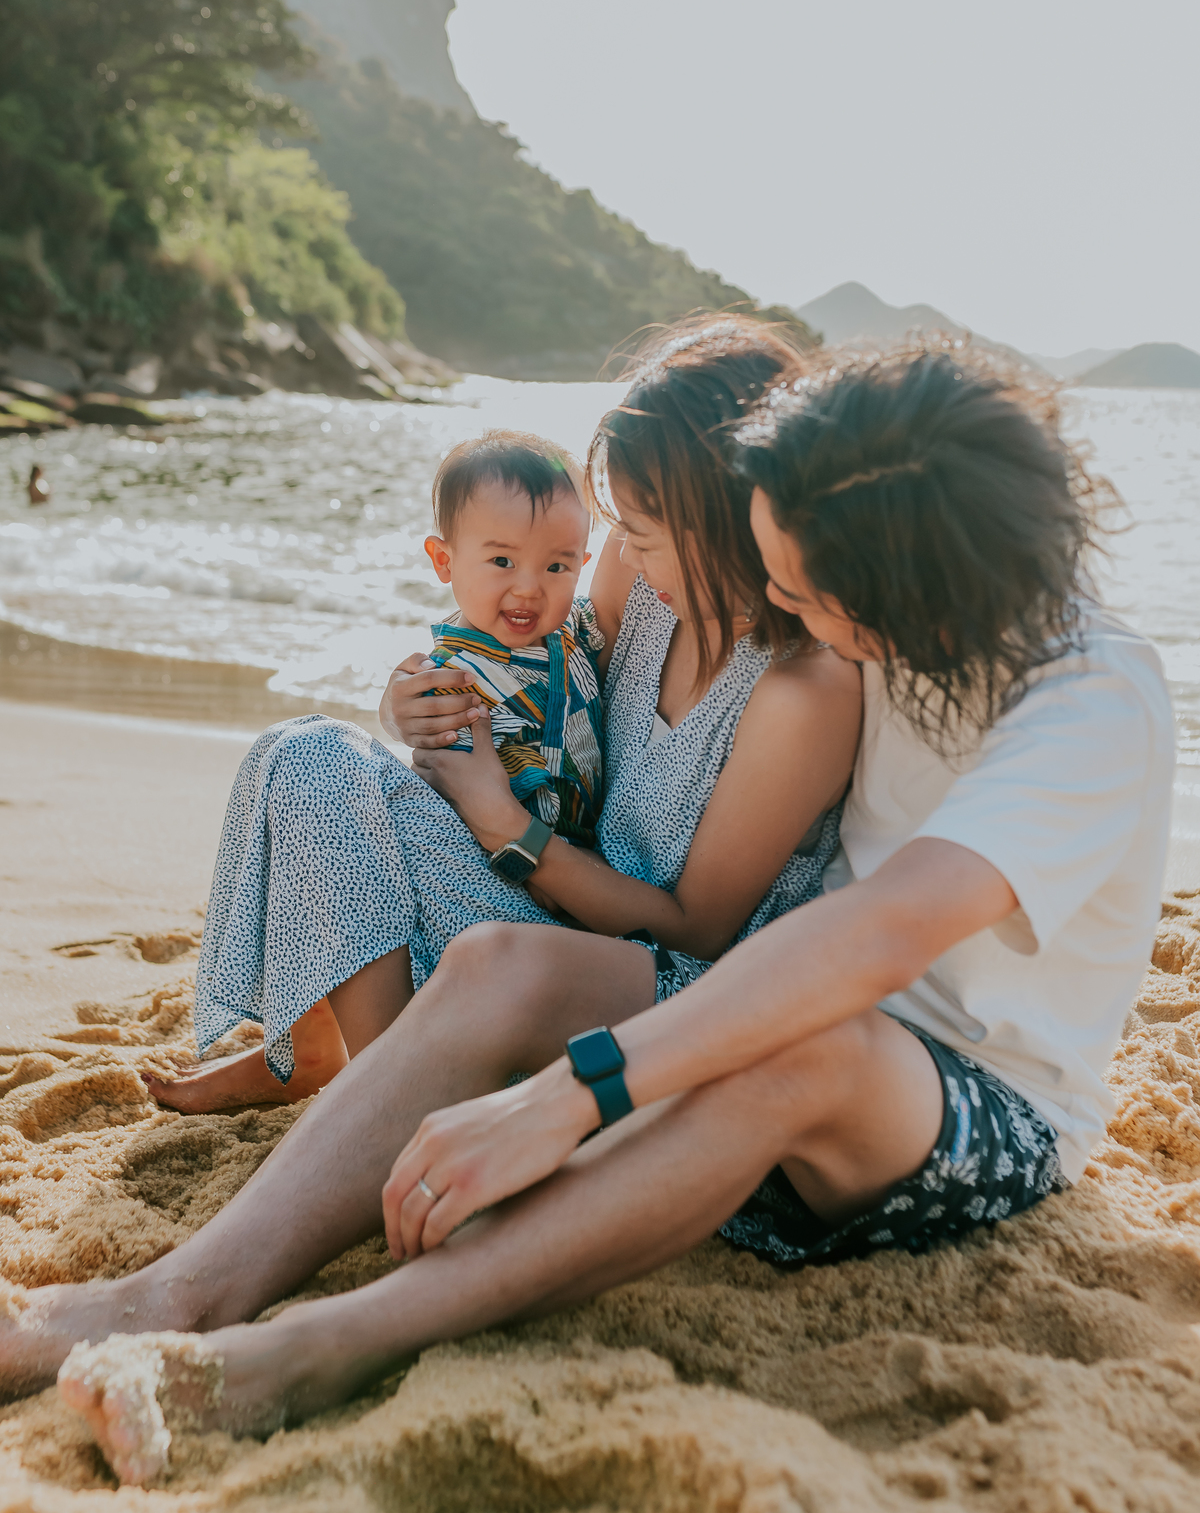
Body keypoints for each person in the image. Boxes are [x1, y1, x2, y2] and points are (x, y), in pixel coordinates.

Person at [13, 342, 1172, 1493]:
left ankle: (317, 1349)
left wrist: (574, 1089)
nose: (786, 609)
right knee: (495, 963)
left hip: (964, 1101)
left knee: (804, 1041)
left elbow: (870, 938)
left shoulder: (1085, 698)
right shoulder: (886, 627)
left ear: (913, 568)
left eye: (810, 591)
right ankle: (174, 1291)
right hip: (763, 1012)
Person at [140, 316, 858, 1117]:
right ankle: (352, 1071)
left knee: (345, 791)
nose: (623, 551)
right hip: (541, 904)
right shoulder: (644, 579)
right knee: (308, 755)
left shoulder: (806, 689)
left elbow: (697, 932)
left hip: (648, 989)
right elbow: (541, 672)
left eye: (649, 533)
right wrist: (412, 702)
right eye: (626, 526)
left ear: (724, 516)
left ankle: (385, 1107)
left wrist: (499, 823)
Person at [421, 428, 605, 853]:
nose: (528, 588)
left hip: (586, 864)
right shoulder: (457, 684)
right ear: (444, 560)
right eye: (502, 561)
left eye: (557, 567)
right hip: (511, 866)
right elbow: (469, 808)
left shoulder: (571, 628)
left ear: (582, 565)